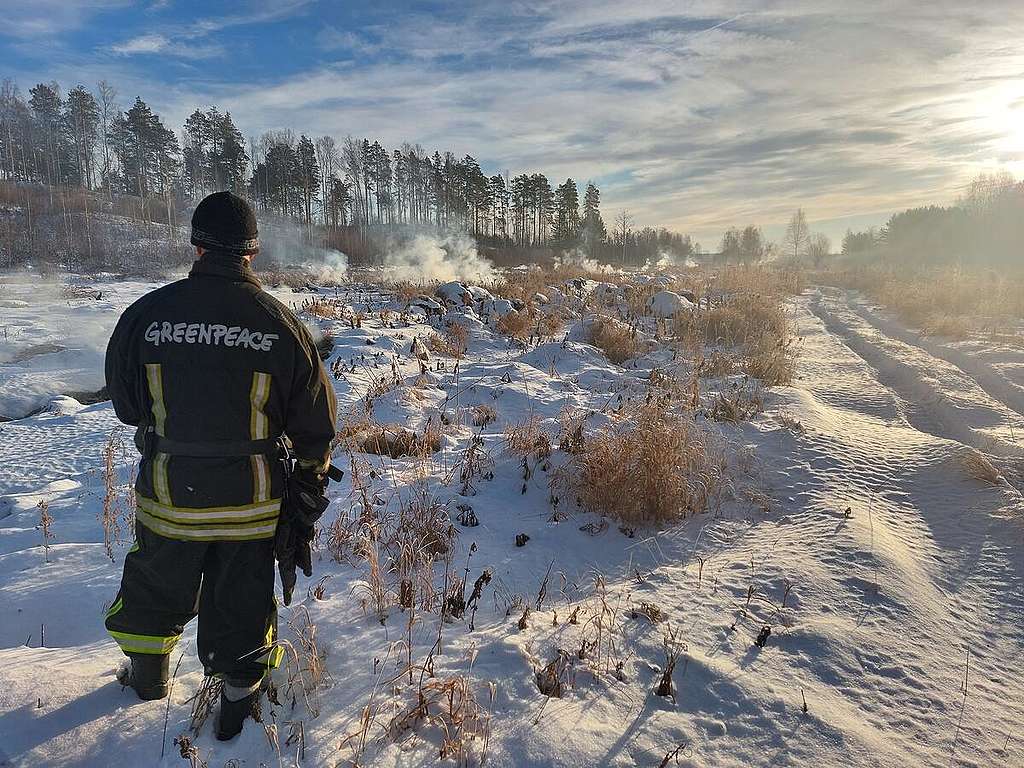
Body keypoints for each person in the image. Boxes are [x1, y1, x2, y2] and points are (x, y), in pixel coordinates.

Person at [103, 191, 337, 740]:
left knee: (153, 595)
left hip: (169, 503)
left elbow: (127, 407)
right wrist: (308, 486)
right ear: (251, 254)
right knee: (242, 610)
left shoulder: (147, 315)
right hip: (249, 511)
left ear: (197, 246)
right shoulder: (282, 324)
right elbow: (316, 427)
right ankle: (238, 715)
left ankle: (148, 681)